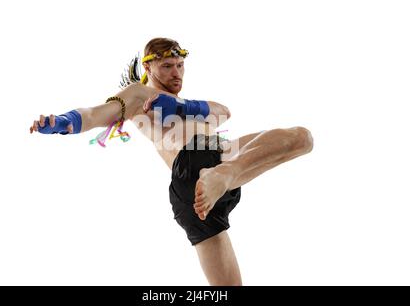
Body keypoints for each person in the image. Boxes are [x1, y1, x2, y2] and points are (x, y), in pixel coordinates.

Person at [29, 37, 313, 285]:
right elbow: (96, 114)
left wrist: (181, 106)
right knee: (293, 140)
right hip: (193, 164)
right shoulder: (140, 95)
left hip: (215, 163)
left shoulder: (182, 103)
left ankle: (226, 174)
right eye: (167, 66)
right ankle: (225, 173)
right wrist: (64, 121)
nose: (176, 73)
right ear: (148, 67)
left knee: (302, 138)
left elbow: (224, 112)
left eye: (180, 66)